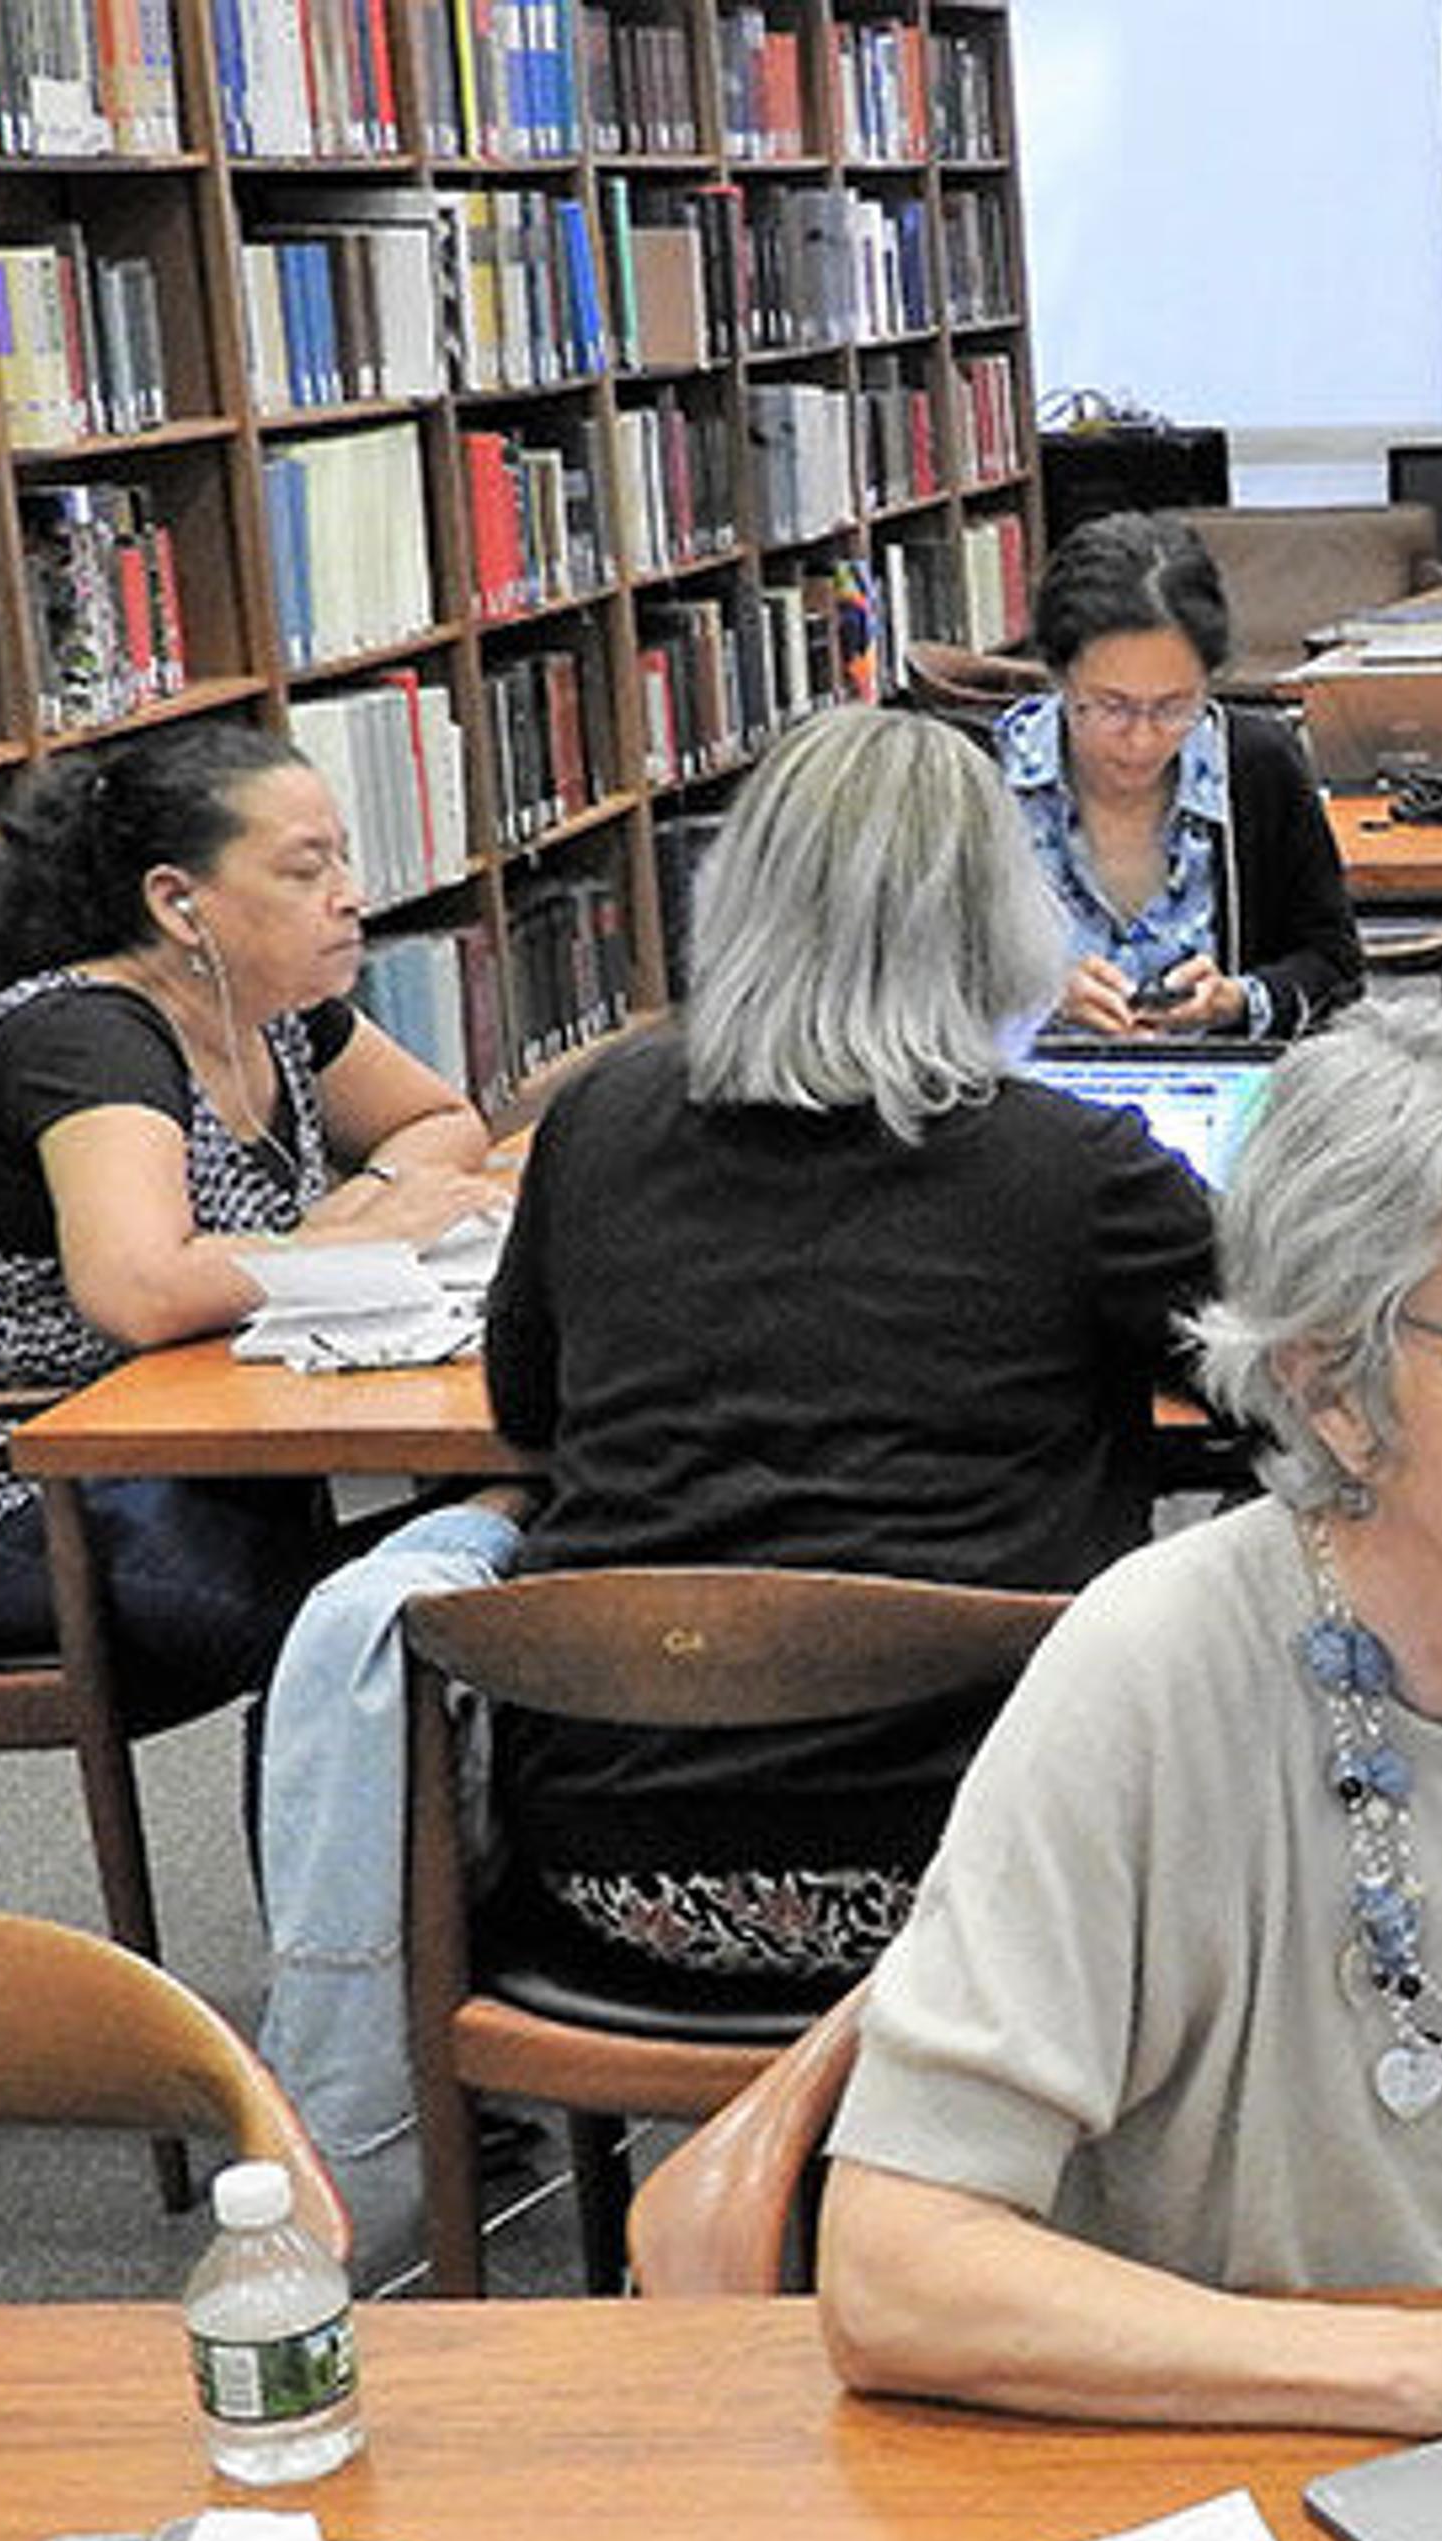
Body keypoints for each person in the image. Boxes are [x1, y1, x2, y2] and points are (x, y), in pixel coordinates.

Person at [257, 707, 1217, 2276]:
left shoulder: (601, 1122)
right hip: (982, 1889)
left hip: (605, 1884)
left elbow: (528, 1410)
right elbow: (1281, 1380)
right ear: (1000, 917)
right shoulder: (1078, 1168)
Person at [819, 999, 1442, 2438]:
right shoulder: (1152, 1668)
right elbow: (894, 2274)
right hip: (1225, 2487)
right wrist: (1437, 2370)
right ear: (1331, 1388)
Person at [0, 723, 492, 1726]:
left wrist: (367, 1198)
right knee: (420, 1610)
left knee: (469, 1562)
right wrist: (349, 1241)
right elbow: (138, 1288)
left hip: (169, 1452)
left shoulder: (270, 1005)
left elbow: (439, 1121)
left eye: (342, 858)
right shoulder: (83, 1037)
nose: (348, 893)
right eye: (305, 869)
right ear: (177, 902)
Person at [988, 509, 1365, 1039]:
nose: (1142, 740)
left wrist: (1238, 1000)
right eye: (1110, 706)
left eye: (1173, 708)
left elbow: (1336, 969)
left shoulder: (1257, 765)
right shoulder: (984, 779)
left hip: (1220, 1098)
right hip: (1028, 1105)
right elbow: (915, 982)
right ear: (1059, 678)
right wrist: (1037, 996)